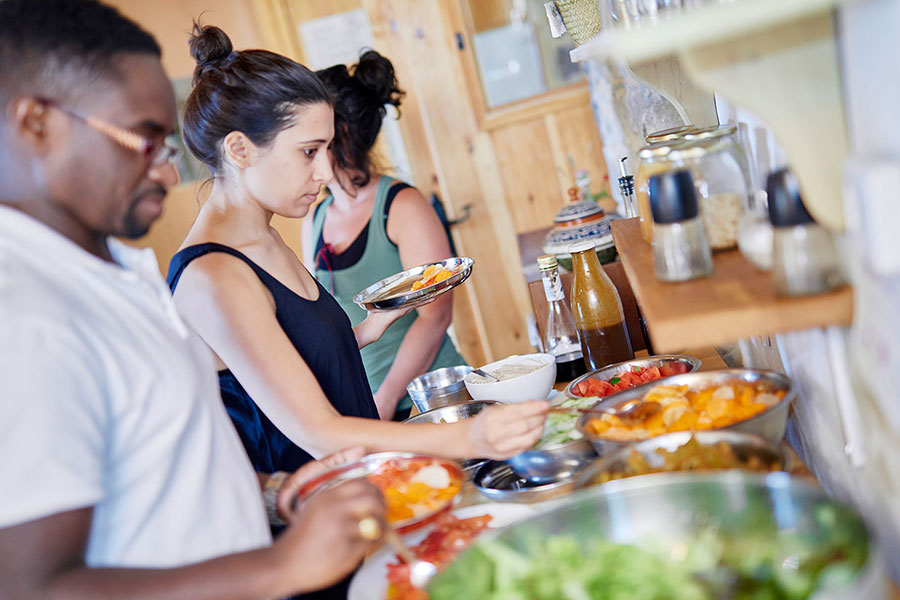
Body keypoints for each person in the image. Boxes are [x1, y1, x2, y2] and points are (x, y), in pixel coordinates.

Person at [0, 1, 386, 598]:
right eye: (142, 141)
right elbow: (31, 587)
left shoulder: (113, 275)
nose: (164, 173)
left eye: (166, 148)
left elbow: (164, 463)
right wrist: (281, 569)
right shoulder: (26, 314)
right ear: (36, 124)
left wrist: (266, 490)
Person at [167, 25, 549, 478]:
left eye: (327, 149)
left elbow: (294, 361)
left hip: (364, 487)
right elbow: (317, 430)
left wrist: (370, 328)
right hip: (317, 524)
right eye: (309, 151)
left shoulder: (266, 237)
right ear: (239, 149)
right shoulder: (211, 275)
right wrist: (468, 437)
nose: (326, 171)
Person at [305, 51, 465, 421]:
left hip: (432, 397)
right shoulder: (314, 216)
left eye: (312, 140)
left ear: (339, 134)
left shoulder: (402, 205)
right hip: (367, 405)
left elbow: (435, 317)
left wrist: (387, 398)